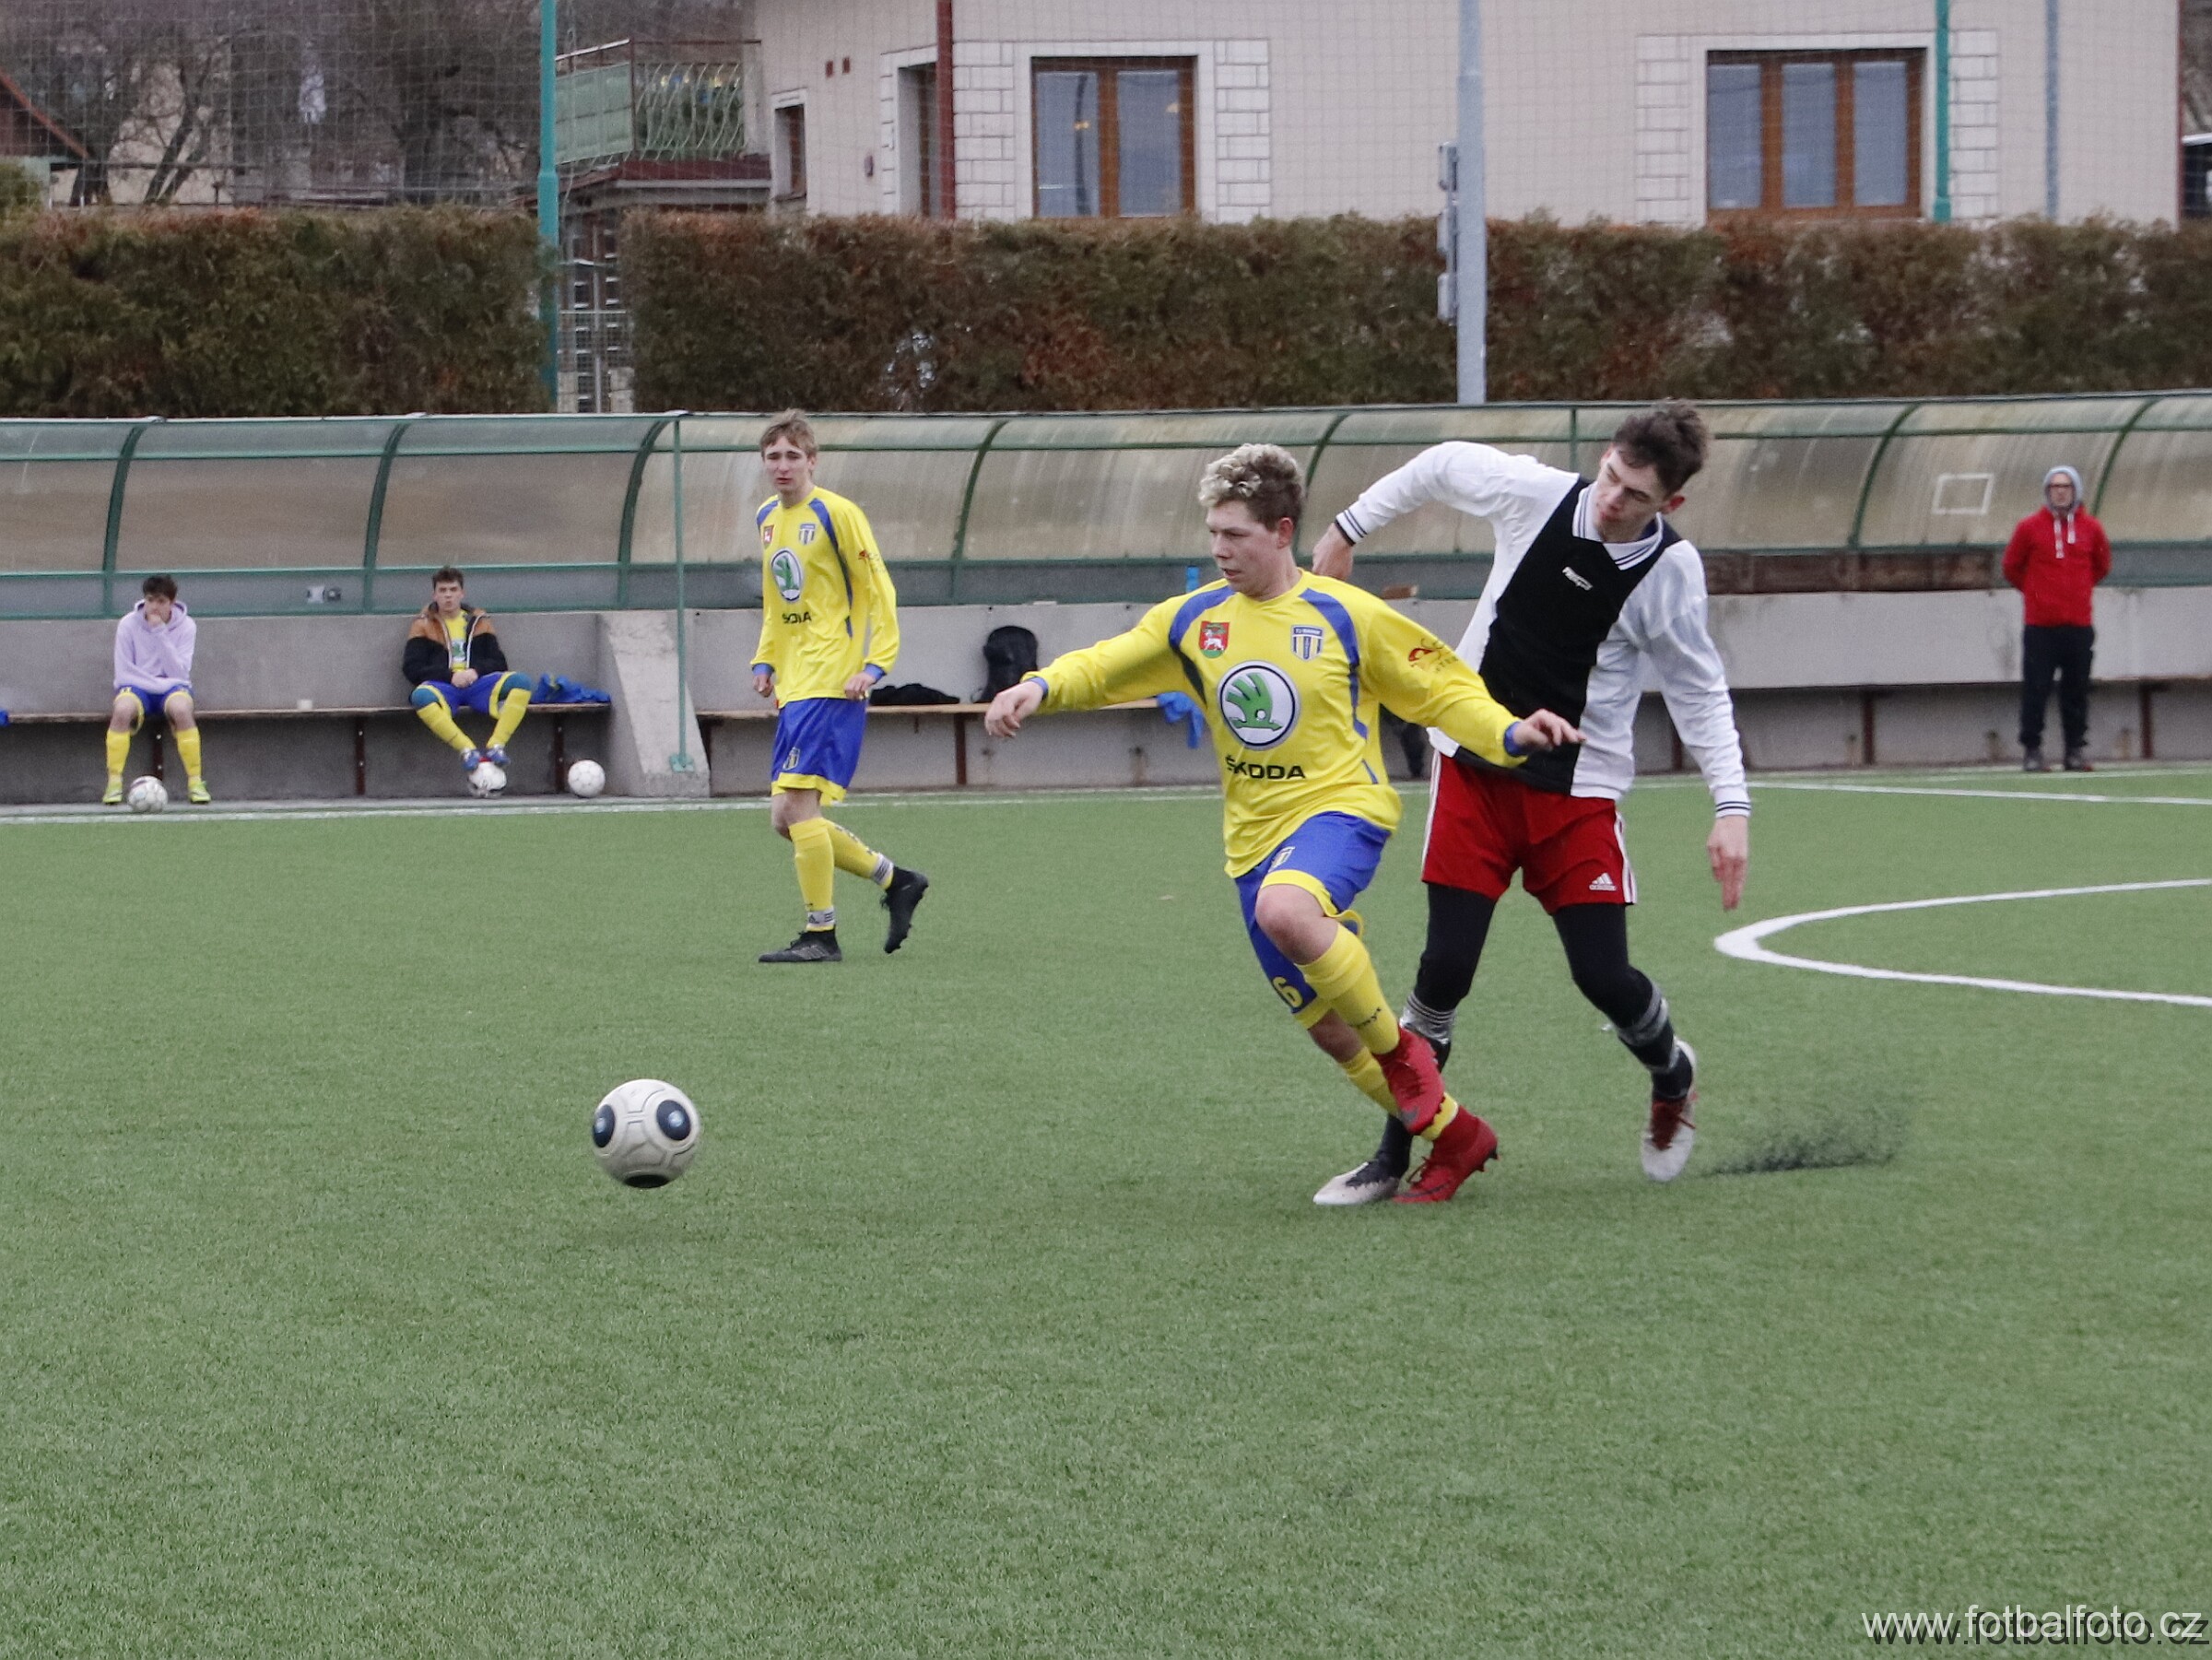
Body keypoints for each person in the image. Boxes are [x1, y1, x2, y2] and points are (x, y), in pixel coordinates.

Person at [986, 443, 1582, 1204]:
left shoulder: (1347, 614)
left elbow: (1442, 689)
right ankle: (1456, 1134)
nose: (1219, 548)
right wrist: (1038, 686)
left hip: (1343, 809)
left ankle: (1403, 1055)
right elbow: (1109, 663)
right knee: (1329, 1028)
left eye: (1235, 534)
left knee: (1287, 910)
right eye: (1213, 532)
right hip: (1252, 842)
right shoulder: (1195, 620)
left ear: (1282, 531)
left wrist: (1507, 732)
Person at [1309, 400, 1750, 1204]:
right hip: (1474, 767)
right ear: (1604, 455)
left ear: (1672, 503)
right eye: (1611, 477)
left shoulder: (1670, 572)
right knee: (1443, 970)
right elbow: (1441, 461)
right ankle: (1393, 1153)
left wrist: (1732, 809)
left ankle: (1671, 1072)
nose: (1611, 500)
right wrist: (1347, 528)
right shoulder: (1536, 494)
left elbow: (1698, 688)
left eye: (1636, 496)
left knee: (1603, 975)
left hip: (1577, 791)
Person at [749, 409, 929, 963]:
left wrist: (876, 665)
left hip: (834, 680)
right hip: (796, 682)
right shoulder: (767, 518)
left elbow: (879, 588)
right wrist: (765, 659)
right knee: (785, 819)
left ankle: (821, 934)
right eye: (773, 456)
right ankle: (895, 879)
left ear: (812, 460)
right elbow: (777, 600)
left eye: (792, 456)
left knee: (798, 807)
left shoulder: (838, 513)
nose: (782, 466)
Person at [2002, 465, 2111, 773]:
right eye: (2054, 487)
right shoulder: (2029, 528)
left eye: (2065, 487)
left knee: (2076, 690)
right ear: (2047, 492)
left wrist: (2078, 591)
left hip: (2078, 625)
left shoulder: (2091, 529)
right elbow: (2011, 566)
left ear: (2075, 491)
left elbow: (2102, 565)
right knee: (2036, 689)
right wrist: (2035, 593)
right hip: (2040, 627)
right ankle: (2032, 749)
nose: (2060, 492)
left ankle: (2074, 750)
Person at [401, 567, 532, 790]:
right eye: (443, 590)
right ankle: (467, 750)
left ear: (462, 593)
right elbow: (412, 668)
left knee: (521, 683)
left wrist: (475, 672)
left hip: (477, 684)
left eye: (453, 590)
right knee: (420, 696)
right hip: (444, 685)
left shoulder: (478, 620)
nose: (448, 596)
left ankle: (496, 746)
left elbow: (499, 662)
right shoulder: (423, 623)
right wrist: (451, 676)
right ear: (434, 595)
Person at [107, 574, 210, 805]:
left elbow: (179, 672)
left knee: (181, 710)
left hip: (172, 687)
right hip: (136, 686)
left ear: (172, 603)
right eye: (150, 600)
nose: (154, 607)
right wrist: (149, 684)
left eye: (161, 601)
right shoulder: (128, 624)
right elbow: (123, 672)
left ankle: (195, 782)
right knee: (122, 710)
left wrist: (160, 633)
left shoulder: (186, 626)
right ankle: (114, 782)